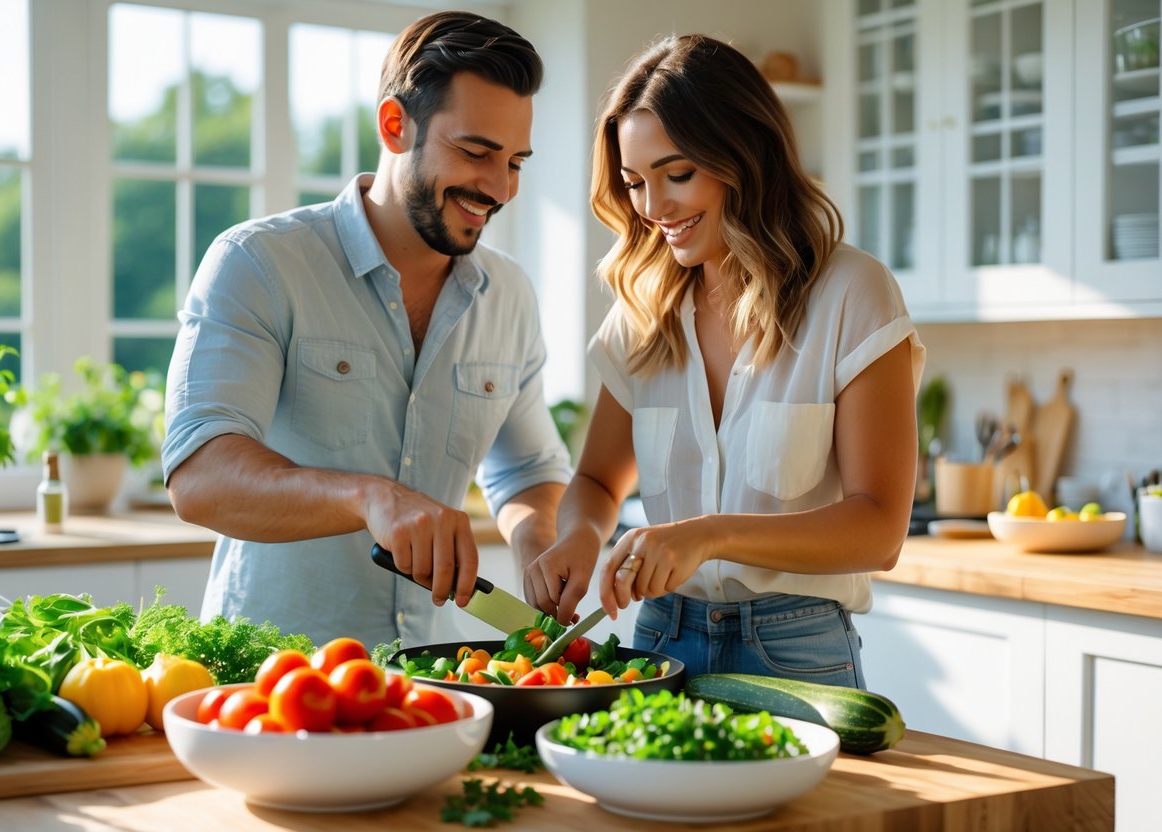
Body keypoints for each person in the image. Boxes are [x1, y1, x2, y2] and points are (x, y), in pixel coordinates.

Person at [523, 34, 925, 685]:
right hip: (658, 639)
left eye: (676, 174)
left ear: (744, 154)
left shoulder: (851, 293)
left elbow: (878, 529)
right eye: (635, 183)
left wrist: (707, 534)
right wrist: (577, 535)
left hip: (794, 650)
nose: (653, 209)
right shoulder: (642, 311)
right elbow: (598, 481)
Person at [162, 11, 571, 649]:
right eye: (475, 152)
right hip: (272, 679)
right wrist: (368, 498)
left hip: (428, 677)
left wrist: (539, 543)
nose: (499, 187)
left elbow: (526, 469)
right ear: (394, 125)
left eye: (515, 161)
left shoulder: (509, 294)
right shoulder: (259, 263)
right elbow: (200, 478)